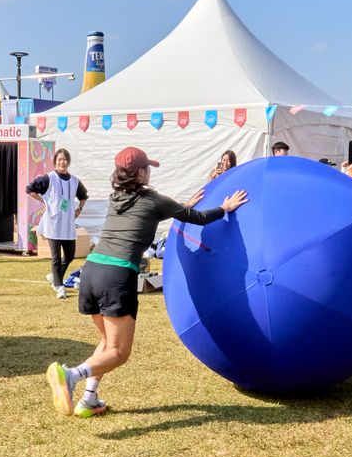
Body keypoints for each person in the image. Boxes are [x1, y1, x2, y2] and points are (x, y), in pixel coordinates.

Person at [45, 146, 247, 419]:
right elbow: (196, 218)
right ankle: (70, 376)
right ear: (140, 172)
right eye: (147, 167)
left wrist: (181, 206)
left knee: (106, 343)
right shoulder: (154, 199)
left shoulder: (116, 197)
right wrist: (225, 207)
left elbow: (148, 215)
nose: (149, 171)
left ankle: (89, 399)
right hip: (116, 276)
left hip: (91, 271)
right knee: (118, 352)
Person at [27, 148, 89, 297]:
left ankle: (54, 277)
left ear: (68, 162)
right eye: (59, 159)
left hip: (67, 225)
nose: (62, 162)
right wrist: (43, 200)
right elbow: (30, 189)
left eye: (65, 159)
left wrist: (79, 209)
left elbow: (83, 195)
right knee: (56, 256)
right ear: (55, 162)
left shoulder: (74, 181)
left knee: (69, 255)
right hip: (53, 223)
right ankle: (59, 286)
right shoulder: (49, 178)